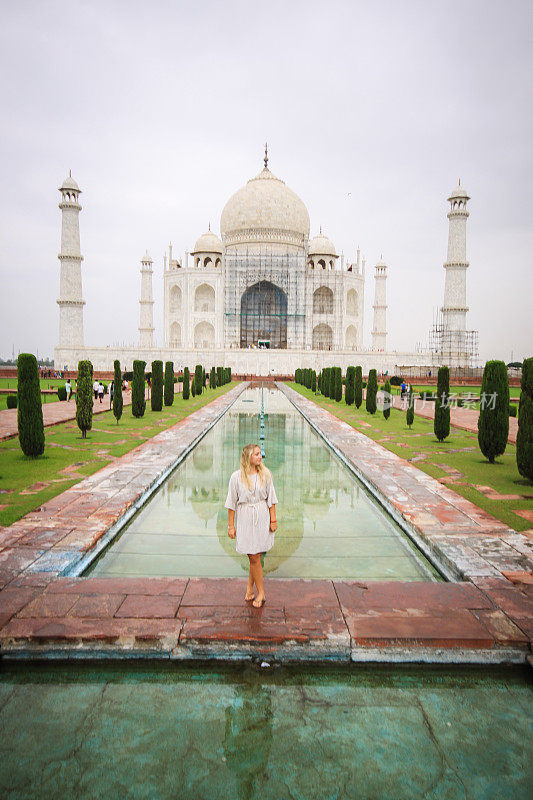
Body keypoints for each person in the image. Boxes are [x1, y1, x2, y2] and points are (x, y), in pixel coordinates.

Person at [225, 443, 278, 608]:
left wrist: (273, 520)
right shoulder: (236, 477)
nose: (260, 456)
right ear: (248, 457)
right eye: (256, 454)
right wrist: (230, 526)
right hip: (245, 518)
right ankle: (254, 590)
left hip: (261, 516)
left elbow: (272, 499)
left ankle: (257, 591)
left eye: (259, 454)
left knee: (255, 556)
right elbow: (231, 503)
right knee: (253, 556)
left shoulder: (265, 474)